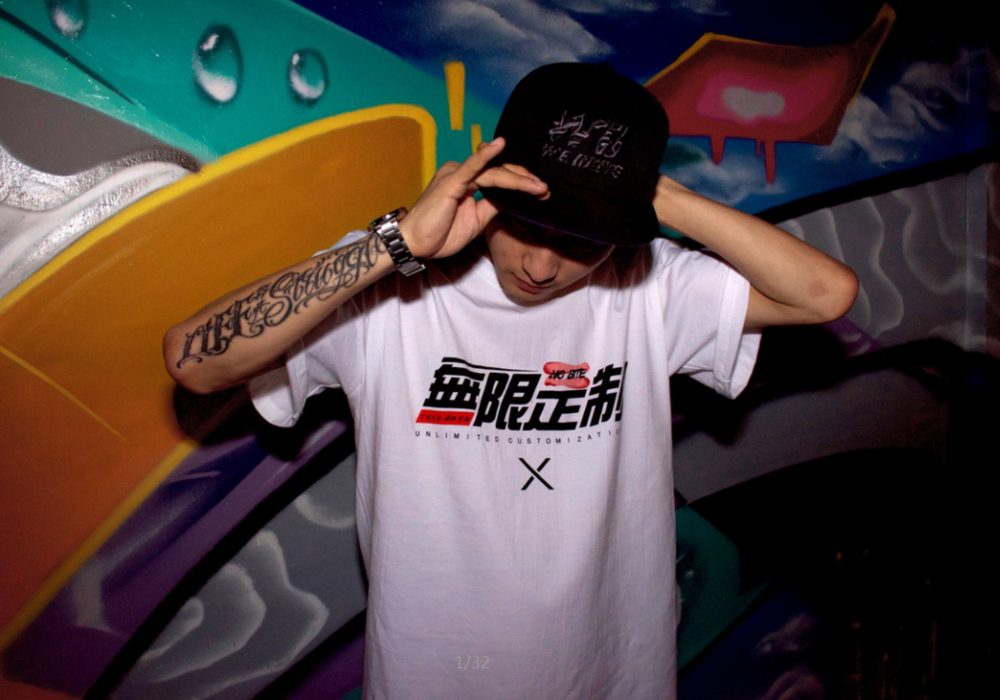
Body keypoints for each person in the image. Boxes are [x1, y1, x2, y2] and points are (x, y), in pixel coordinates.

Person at [164, 63, 857, 700]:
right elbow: (192, 359)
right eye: (529, 225)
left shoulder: (650, 287)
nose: (542, 266)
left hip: (614, 677)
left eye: (582, 239)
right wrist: (396, 243)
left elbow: (825, 295)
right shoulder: (391, 289)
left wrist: (659, 197)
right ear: (490, 180)